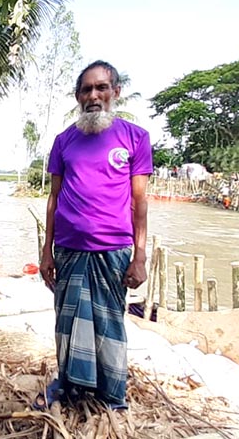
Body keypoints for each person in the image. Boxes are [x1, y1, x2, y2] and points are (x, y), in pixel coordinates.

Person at [39, 61, 153, 411]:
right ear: (77, 97)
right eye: (86, 89)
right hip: (69, 250)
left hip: (113, 251)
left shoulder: (136, 138)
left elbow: (139, 201)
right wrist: (46, 252)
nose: (94, 95)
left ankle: (112, 395)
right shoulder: (63, 141)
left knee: (108, 325)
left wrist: (140, 255)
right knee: (67, 324)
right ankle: (71, 386)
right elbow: (54, 198)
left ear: (115, 92)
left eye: (101, 87)